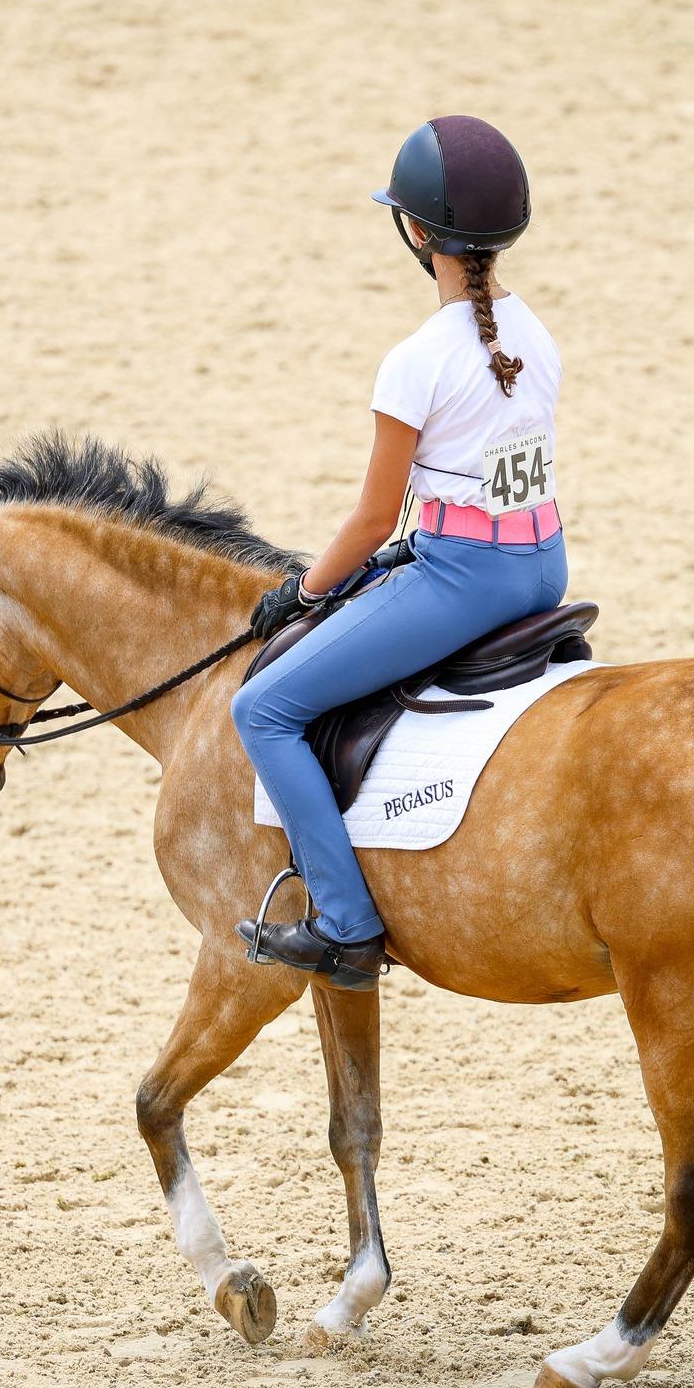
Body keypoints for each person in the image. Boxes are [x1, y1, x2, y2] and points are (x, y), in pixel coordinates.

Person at [232, 115, 568, 988]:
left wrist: (304, 590)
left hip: (466, 581)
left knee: (263, 710)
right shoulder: (539, 338)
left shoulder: (416, 360)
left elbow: (375, 518)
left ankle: (344, 923)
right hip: (545, 563)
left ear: (415, 232)